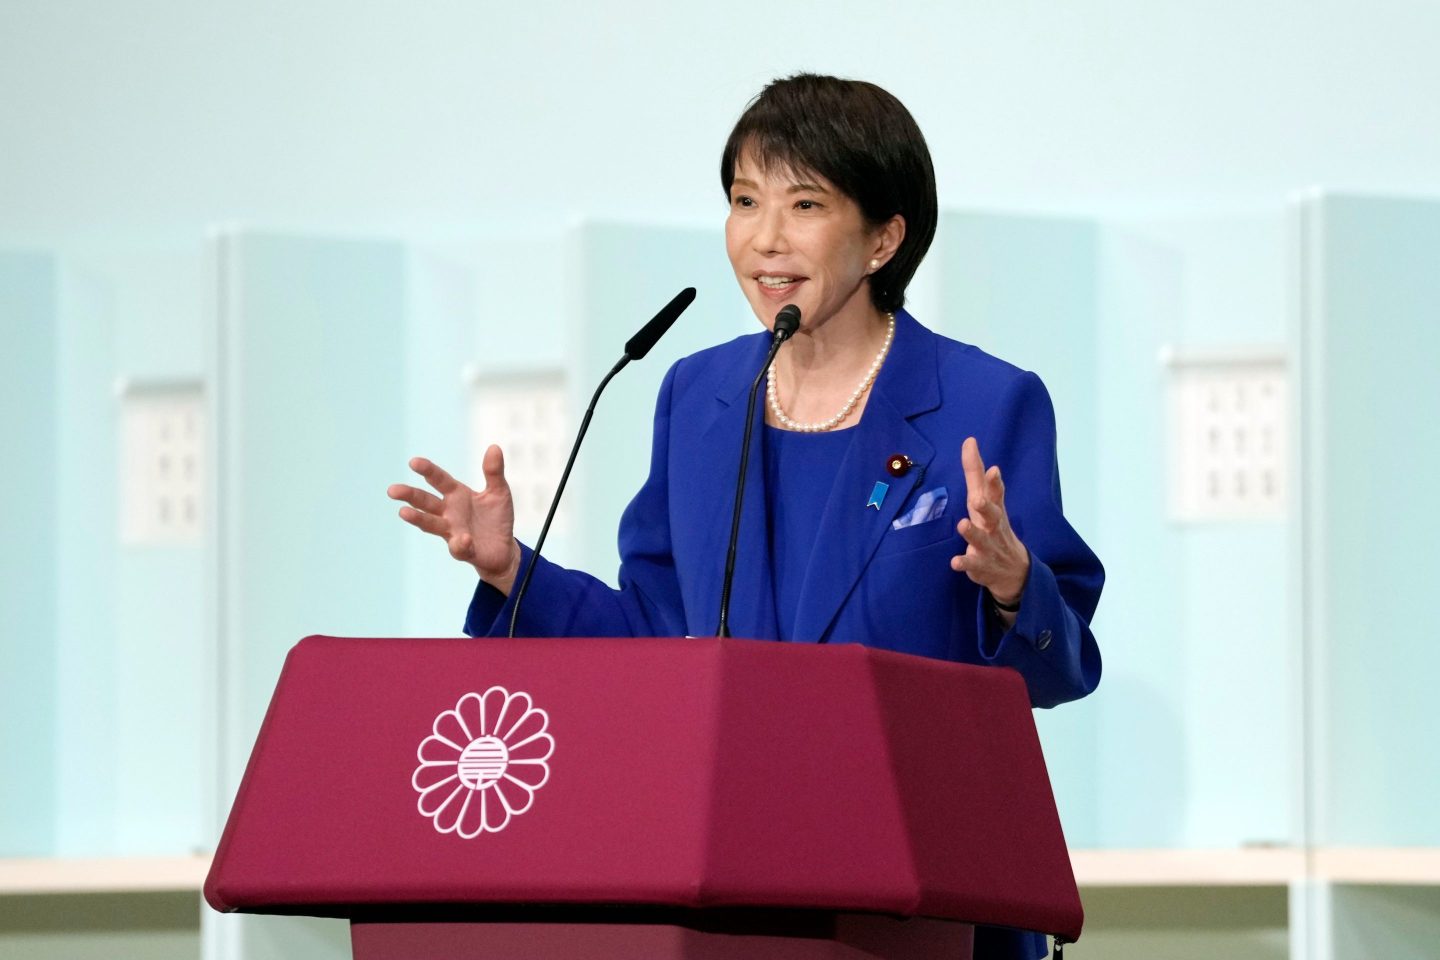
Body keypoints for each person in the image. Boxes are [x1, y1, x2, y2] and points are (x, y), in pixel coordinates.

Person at [388, 73, 1102, 960]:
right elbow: (655, 640)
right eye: (744, 200)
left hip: (924, 905)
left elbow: (1063, 664)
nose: (766, 239)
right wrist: (510, 571)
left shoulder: (986, 403)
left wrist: (1012, 588)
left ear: (884, 237)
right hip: (729, 892)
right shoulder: (697, 396)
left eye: (806, 204)